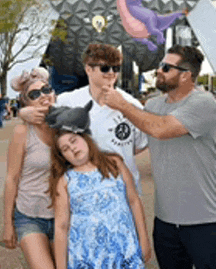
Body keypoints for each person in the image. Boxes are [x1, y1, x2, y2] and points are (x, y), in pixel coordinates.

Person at [101, 44, 216, 269]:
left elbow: (161, 129)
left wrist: (122, 105)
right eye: (159, 66)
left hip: (205, 221)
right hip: (165, 222)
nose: (158, 71)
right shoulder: (153, 105)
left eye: (166, 67)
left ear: (186, 75)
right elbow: (131, 140)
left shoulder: (204, 104)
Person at [19, 43, 148, 195]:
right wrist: (23, 112)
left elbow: (140, 144)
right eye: (105, 68)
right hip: (83, 193)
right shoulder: (68, 101)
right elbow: (42, 114)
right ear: (88, 69)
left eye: (116, 68)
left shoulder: (132, 105)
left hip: (124, 191)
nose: (112, 73)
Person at [45, 101, 151, 269]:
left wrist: (143, 240)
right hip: (86, 258)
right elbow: (61, 227)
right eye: (65, 149)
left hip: (124, 251)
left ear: (85, 137)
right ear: (63, 157)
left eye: (74, 141)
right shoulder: (65, 181)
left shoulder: (113, 164)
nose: (72, 148)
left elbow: (134, 201)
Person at [3, 67, 56, 269]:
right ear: (26, 102)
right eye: (35, 94)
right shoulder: (22, 132)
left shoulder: (65, 126)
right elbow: (11, 178)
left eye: (46, 89)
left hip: (62, 216)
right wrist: (8, 224)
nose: (43, 96)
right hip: (29, 217)